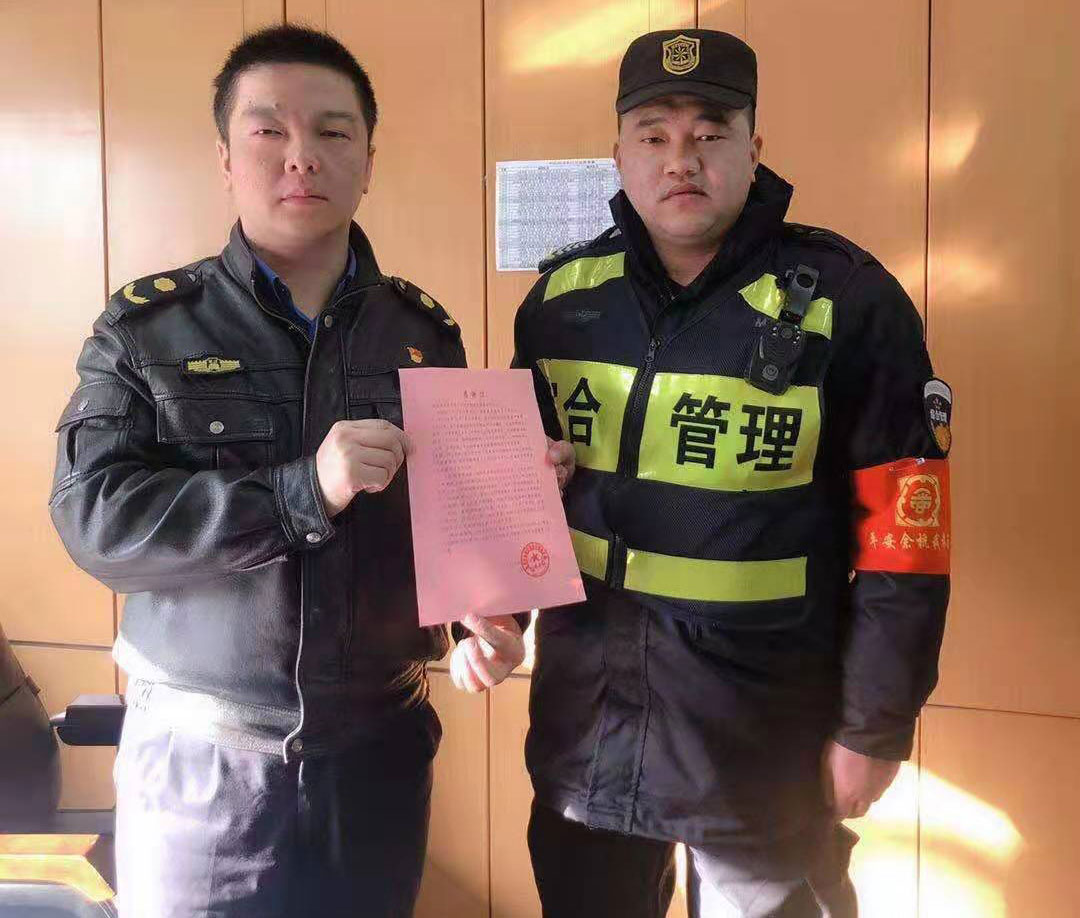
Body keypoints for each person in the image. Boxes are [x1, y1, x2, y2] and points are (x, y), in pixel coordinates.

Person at [49, 24, 530, 917]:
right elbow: (97, 522)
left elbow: (450, 520)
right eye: (269, 130)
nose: (300, 156)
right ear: (226, 158)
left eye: (333, 132)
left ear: (369, 161)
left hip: (379, 761)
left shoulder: (422, 334)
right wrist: (304, 490)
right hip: (203, 773)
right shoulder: (149, 330)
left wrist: (489, 614)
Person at [513, 29, 952, 917]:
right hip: (588, 737)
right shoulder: (560, 303)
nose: (681, 158)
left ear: (754, 150)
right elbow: (516, 492)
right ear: (619, 155)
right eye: (654, 135)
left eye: (709, 133)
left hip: (764, 748)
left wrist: (873, 728)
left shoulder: (850, 302)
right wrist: (485, 614)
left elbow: (906, 544)